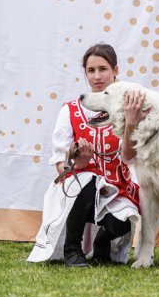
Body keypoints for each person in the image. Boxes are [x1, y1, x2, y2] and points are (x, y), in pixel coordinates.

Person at [28, 44, 144, 267]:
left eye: (103, 69)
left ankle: (103, 242)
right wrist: (79, 164)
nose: (97, 76)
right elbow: (60, 166)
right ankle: (72, 249)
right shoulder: (70, 110)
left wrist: (130, 124)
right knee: (88, 182)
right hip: (79, 189)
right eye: (91, 70)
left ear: (115, 70)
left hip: (116, 188)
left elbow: (129, 158)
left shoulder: (129, 109)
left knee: (120, 222)